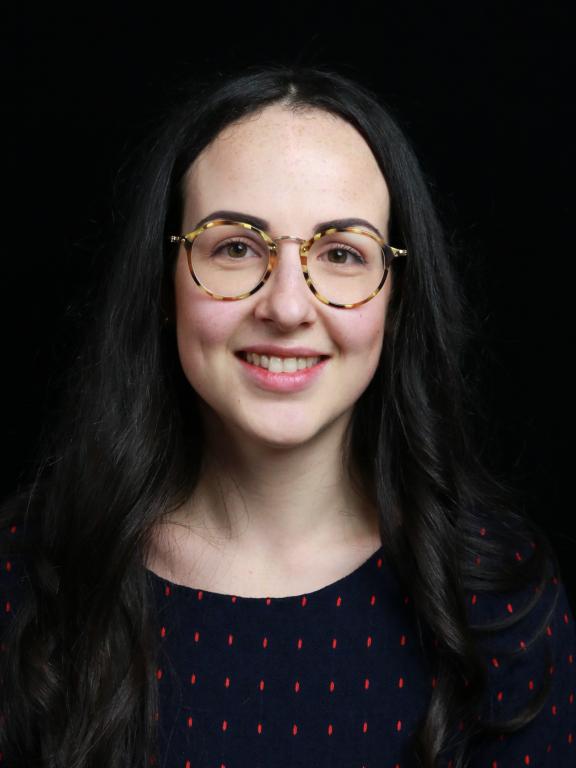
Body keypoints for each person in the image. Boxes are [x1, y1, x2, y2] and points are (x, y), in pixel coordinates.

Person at [0, 63, 574, 768]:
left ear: (397, 301)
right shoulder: (24, 577)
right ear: (164, 284)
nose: (288, 306)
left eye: (341, 254)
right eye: (236, 247)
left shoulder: (502, 599)